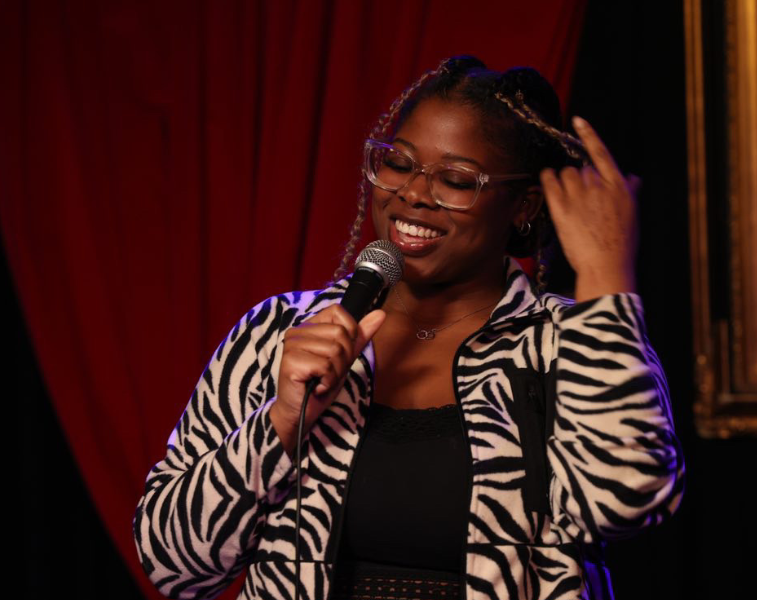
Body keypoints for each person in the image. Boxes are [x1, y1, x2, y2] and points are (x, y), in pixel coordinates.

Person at [133, 56, 684, 600]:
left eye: (455, 178)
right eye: (398, 163)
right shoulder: (277, 330)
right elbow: (172, 563)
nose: (414, 193)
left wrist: (606, 279)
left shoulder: (565, 342)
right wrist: (280, 420)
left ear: (522, 207)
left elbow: (625, 500)